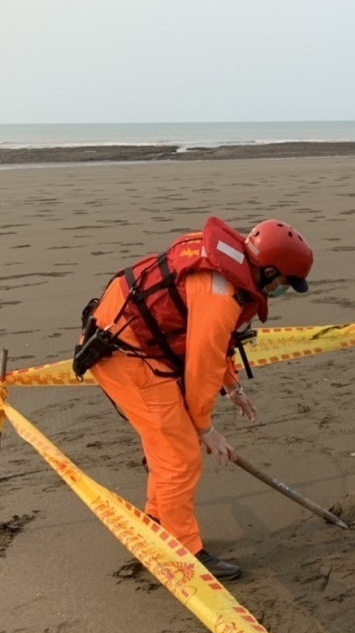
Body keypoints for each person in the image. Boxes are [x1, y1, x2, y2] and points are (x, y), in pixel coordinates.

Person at [72, 217, 314, 581]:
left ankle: (156, 520)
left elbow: (215, 342)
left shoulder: (229, 263)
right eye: (283, 283)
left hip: (139, 347)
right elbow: (201, 365)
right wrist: (205, 428)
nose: (283, 291)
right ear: (266, 271)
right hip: (125, 357)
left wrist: (233, 386)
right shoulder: (219, 295)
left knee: (167, 445)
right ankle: (183, 554)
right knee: (180, 456)